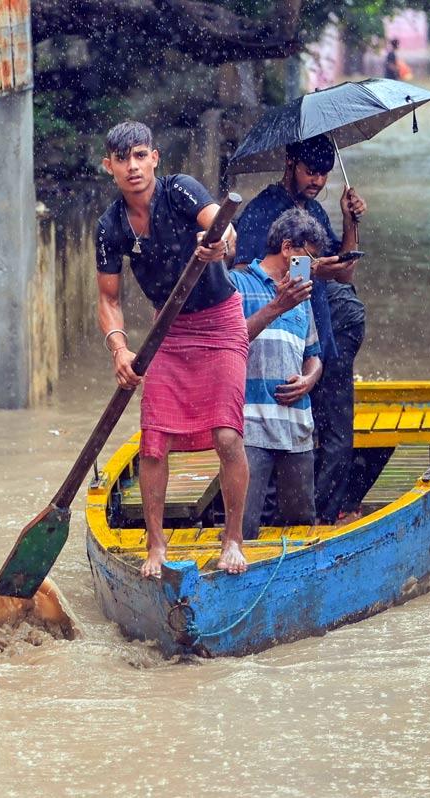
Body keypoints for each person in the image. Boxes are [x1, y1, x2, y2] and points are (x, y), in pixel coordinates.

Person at [95, 120, 249, 578]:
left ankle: (233, 539)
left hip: (221, 323)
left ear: (155, 158)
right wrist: (119, 350)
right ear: (110, 168)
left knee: (226, 435)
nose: (133, 167)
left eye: (140, 156)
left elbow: (224, 231)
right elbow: (109, 299)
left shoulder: (180, 191)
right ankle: (156, 545)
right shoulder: (110, 226)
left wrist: (215, 243)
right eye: (122, 160)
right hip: (168, 332)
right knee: (154, 443)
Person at [232, 134, 368, 525]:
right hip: (277, 338)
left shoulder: (314, 212)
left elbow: (345, 270)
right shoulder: (261, 211)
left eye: (325, 174)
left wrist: (349, 220)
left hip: (315, 334)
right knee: (274, 437)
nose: (319, 181)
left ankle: (322, 518)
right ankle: (270, 525)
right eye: (312, 172)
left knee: (334, 434)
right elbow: (250, 273)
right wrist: (311, 268)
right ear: (290, 163)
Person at [229, 208, 328, 539]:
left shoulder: (302, 296)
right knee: (243, 526)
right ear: (287, 248)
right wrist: (277, 306)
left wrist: (309, 379)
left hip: (296, 428)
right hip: (250, 426)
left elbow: (313, 356)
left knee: (300, 525)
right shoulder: (237, 284)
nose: (312, 267)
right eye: (308, 257)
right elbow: (229, 341)